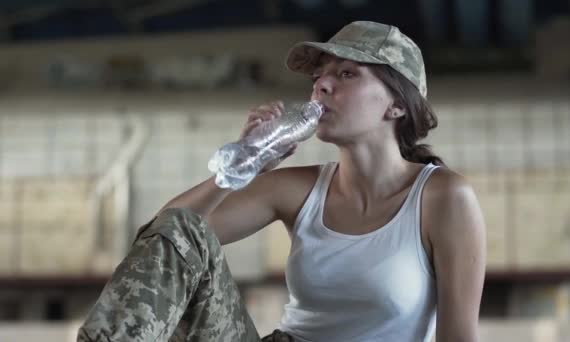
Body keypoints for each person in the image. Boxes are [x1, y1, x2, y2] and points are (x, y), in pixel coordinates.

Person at [77, 20, 486, 342]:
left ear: (397, 103)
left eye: (346, 74)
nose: (321, 86)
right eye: (318, 78)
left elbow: (459, 337)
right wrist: (245, 164)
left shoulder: (444, 198)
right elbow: (166, 236)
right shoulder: (297, 189)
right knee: (182, 228)